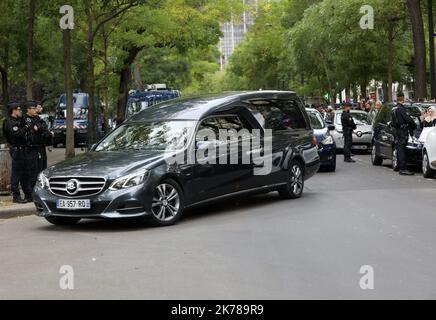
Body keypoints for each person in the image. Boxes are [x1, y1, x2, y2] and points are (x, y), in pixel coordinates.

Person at [2, 102, 32, 203]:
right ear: (13, 110)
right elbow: (17, 134)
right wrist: (26, 127)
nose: (20, 111)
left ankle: (28, 194)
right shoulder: (9, 122)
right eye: (19, 109)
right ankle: (16, 196)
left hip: (23, 149)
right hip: (16, 150)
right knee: (17, 174)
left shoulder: (19, 120)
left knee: (25, 174)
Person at [23, 101, 51, 193]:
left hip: (41, 147)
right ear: (28, 109)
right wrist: (39, 129)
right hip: (31, 148)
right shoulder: (24, 119)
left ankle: (41, 190)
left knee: (42, 169)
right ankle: (31, 192)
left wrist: (38, 128)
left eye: (36, 108)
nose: (36, 110)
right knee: (32, 170)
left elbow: (46, 131)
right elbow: (30, 132)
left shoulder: (38, 118)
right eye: (34, 108)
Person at [391, 92, 417, 176]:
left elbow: (393, 121)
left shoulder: (394, 108)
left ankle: (400, 167)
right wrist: (413, 125)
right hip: (402, 130)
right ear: (403, 98)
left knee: (399, 149)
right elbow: (407, 119)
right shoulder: (401, 108)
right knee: (402, 149)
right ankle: (403, 168)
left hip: (397, 130)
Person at [35, 100, 52, 171]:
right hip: (36, 147)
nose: (41, 108)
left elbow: (46, 131)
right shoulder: (32, 120)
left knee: (43, 166)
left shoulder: (40, 119)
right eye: (39, 107)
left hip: (42, 146)